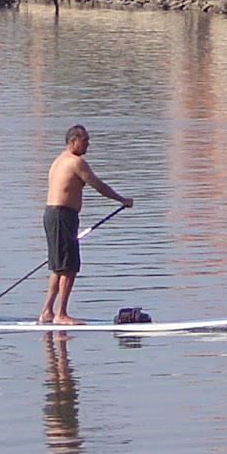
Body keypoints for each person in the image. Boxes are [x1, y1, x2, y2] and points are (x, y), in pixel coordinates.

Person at [41, 124, 133, 325]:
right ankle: (60, 315)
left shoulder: (60, 160)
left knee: (58, 267)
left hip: (55, 216)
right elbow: (99, 186)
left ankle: (47, 312)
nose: (88, 145)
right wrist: (122, 200)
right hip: (61, 216)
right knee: (69, 267)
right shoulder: (75, 162)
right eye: (85, 141)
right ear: (73, 141)